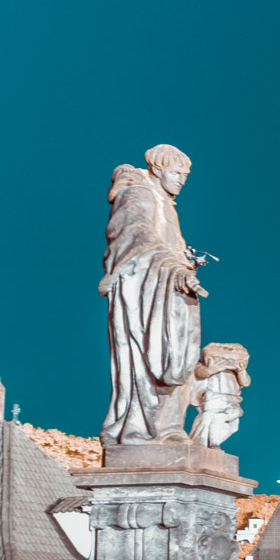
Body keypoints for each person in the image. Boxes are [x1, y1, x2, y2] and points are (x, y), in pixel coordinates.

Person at [101, 145, 205, 445]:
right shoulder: (138, 193)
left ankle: (168, 427)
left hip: (168, 285)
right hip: (141, 289)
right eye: (176, 173)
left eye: (185, 176)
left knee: (178, 351)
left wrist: (183, 267)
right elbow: (134, 235)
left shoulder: (165, 201)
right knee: (144, 358)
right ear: (158, 170)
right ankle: (139, 427)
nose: (181, 181)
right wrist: (174, 267)